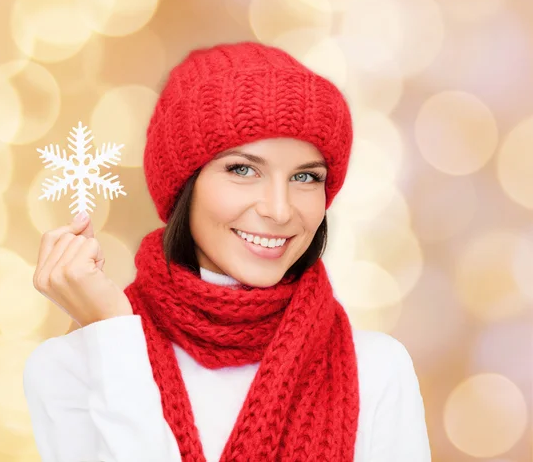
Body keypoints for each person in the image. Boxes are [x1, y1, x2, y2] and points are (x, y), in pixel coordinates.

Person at [23, 41, 431, 462]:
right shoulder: (70, 368)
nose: (278, 209)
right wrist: (110, 334)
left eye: (306, 177)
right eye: (243, 169)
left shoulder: (377, 370)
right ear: (185, 185)